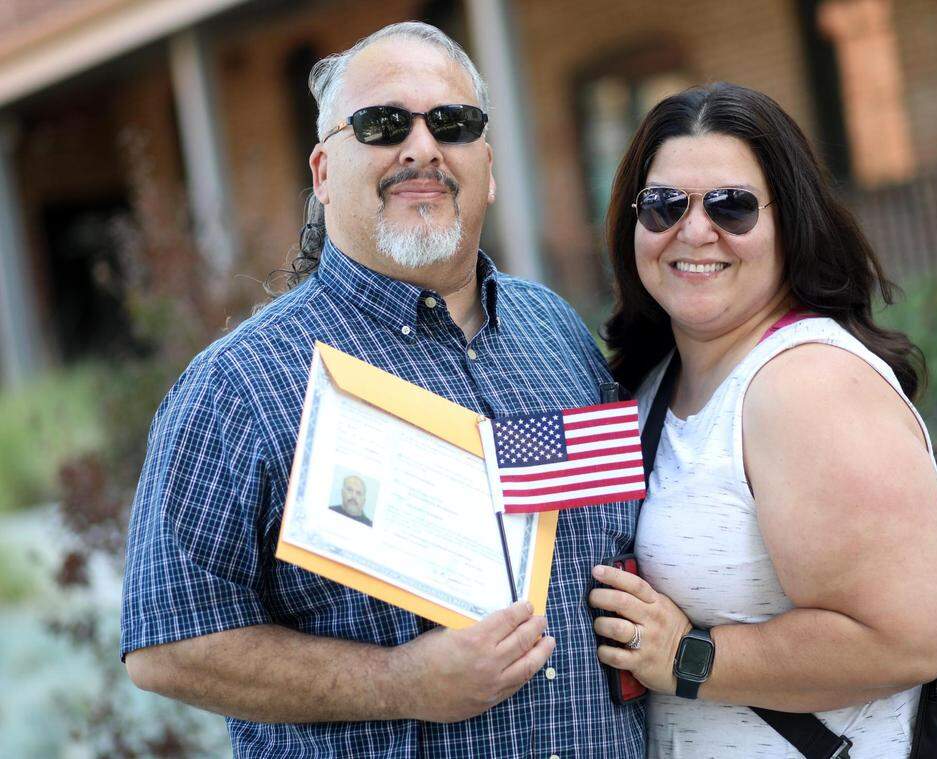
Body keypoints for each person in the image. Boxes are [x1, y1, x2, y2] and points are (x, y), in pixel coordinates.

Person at [121, 22, 645, 757]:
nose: (422, 147)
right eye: (382, 124)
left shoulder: (555, 330)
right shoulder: (237, 387)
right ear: (323, 172)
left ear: (489, 167)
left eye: (453, 124)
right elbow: (167, 645)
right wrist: (398, 682)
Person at [588, 82, 937, 757]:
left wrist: (687, 656)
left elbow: (913, 636)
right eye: (665, 204)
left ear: (789, 222)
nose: (694, 230)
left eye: (731, 206)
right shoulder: (655, 383)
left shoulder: (806, 383)